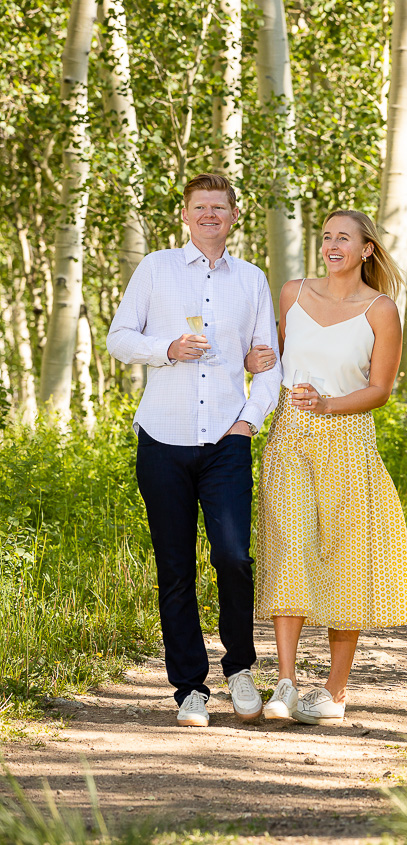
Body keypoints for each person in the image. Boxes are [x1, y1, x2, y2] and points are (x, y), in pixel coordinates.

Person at [107, 173, 281, 727]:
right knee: (175, 567)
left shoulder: (252, 279)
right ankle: (190, 689)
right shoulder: (156, 269)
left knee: (234, 558)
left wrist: (250, 421)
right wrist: (167, 348)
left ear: (234, 216)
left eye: (219, 207)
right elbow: (119, 338)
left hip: (226, 441)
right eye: (199, 206)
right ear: (185, 215)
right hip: (162, 438)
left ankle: (240, 670)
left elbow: (268, 361)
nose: (209, 214)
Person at [254, 209, 407, 726]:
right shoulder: (293, 293)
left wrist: (328, 405)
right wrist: (254, 364)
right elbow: (276, 362)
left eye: (344, 239)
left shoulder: (381, 310)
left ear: (366, 249)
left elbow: (381, 390)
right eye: (327, 236)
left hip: (348, 441)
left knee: (343, 559)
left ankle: (333, 694)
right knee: (290, 549)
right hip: (290, 437)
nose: (332, 245)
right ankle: (284, 685)